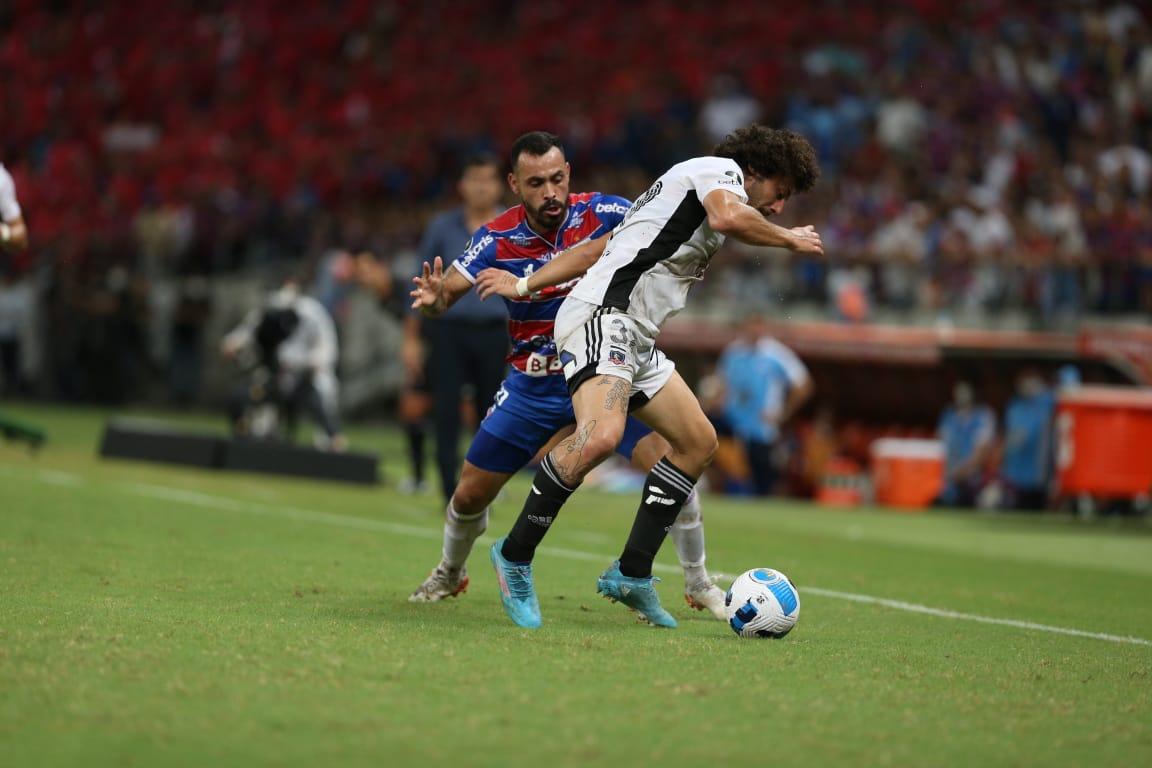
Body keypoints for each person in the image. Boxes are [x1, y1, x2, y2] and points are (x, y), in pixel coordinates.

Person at [477, 124, 822, 629]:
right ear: (754, 171)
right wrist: (789, 239)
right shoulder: (718, 172)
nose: (779, 206)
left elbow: (596, 250)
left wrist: (525, 284)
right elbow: (728, 216)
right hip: (602, 317)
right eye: (780, 191)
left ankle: (632, 573)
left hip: (634, 334)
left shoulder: (673, 198)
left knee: (697, 442)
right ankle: (514, 554)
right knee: (602, 436)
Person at [407, 131, 728, 620]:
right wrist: (434, 301)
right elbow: (445, 294)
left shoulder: (608, 212)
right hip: (536, 384)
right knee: (470, 492)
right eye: (536, 183)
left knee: (674, 460)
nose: (550, 192)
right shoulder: (495, 238)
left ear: (569, 174)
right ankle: (450, 570)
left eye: (557, 179)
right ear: (514, 184)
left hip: (608, 372)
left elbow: (663, 229)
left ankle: (697, 580)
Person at [408, 154, 509, 502]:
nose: (481, 187)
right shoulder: (441, 227)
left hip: (496, 331)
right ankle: (449, 488)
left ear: (500, 185)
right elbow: (422, 283)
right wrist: (411, 339)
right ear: (462, 185)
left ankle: (484, 489)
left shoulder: (513, 226)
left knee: (492, 414)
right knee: (445, 409)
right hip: (447, 330)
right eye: (474, 179)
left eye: (487, 179)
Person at [221, 276, 346, 451]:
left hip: (307, 375)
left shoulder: (312, 313)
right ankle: (249, 441)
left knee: (322, 395)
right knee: (259, 419)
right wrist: (232, 343)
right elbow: (248, 331)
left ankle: (332, 439)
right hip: (276, 374)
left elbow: (327, 348)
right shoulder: (269, 311)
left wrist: (311, 363)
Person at [716, 314, 813, 495]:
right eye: (751, 325)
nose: (755, 330)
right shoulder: (733, 352)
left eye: (758, 325)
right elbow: (722, 384)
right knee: (731, 473)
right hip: (733, 424)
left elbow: (803, 385)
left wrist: (783, 412)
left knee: (762, 479)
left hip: (762, 428)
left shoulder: (776, 354)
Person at [1000, 370, 1055, 511]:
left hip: (1040, 472)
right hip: (1015, 473)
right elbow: (1009, 437)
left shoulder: (1049, 402)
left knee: (1037, 507)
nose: (1026, 385)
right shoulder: (1015, 406)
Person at [936, 381, 996, 507]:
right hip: (948, 477)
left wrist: (962, 472)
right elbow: (941, 446)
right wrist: (947, 473)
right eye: (958, 391)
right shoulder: (948, 415)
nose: (961, 395)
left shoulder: (983, 415)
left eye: (965, 391)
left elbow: (982, 451)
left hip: (973, 478)